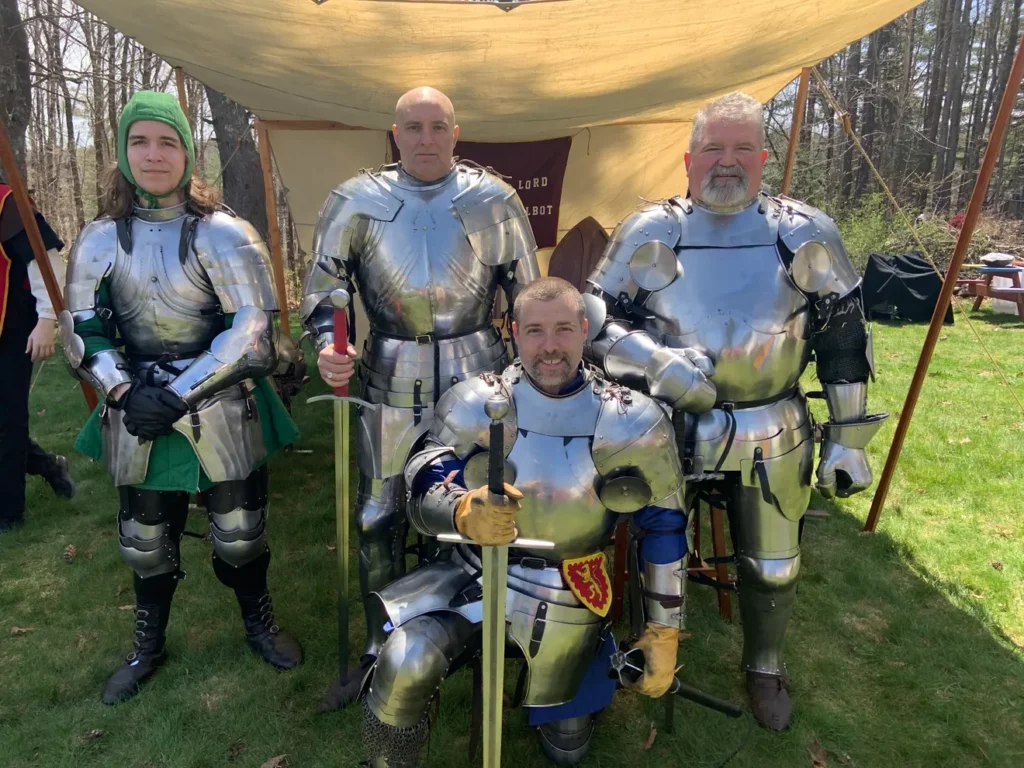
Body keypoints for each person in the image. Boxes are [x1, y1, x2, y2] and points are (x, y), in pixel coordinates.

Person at [583, 91, 886, 730]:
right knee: (657, 547)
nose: (728, 161)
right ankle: (656, 649)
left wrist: (849, 438)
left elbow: (841, 337)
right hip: (665, 422)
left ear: (764, 156)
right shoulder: (651, 229)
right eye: (714, 149)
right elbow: (595, 317)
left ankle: (765, 664)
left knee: (774, 565)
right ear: (689, 160)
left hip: (772, 422)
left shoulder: (802, 232)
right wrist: (654, 360)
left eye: (742, 147)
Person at [359, 278, 689, 767]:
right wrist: (460, 510)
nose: (550, 346)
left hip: (570, 584)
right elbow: (425, 472)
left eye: (562, 330)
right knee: (406, 660)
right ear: (514, 333)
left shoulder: (631, 420)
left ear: (584, 331)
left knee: (567, 748)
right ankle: (385, 761)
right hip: (472, 569)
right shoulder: (479, 401)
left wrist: (663, 631)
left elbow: (664, 525)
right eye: (535, 331)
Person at [301, 86, 540, 709]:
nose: (427, 138)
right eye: (414, 126)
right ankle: (381, 648)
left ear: (456, 133)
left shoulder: (495, 200)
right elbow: (323, 296)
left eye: (438, 126)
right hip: (388, 372)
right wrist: (332, 345)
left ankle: (468, 637)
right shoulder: (355, 200)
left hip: (480, 375)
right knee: (377, 518)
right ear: (395, 133)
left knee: (473, 515)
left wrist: (533, 372)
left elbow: (529, 298)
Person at [60, 91, 302, 704]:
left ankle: (259, 622)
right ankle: (148, 645)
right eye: (140, 141)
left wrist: (181, 392)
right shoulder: (98, 238)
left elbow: (252, 329)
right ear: (122, 153)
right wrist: (120, 388)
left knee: (240, 531)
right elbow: (80, 327)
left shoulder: (223, 233)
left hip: (218, 400)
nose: (154, 154)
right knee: (144, 540)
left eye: (168, 142)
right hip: (135, 402)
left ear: (189, 153)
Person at [0, 179, 75, 533]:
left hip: (11, 330)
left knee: (6, 420)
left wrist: (47, 319)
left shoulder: (6, 202)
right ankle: (48, 466)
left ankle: (8, 513)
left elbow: (45, 259)